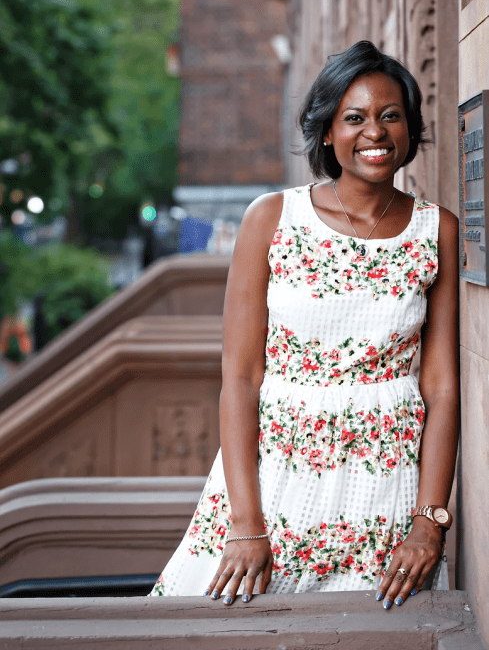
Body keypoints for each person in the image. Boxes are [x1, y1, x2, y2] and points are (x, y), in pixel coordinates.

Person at [149, 40, 459, 610]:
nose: (375, 132)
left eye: (391, 116)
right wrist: (245, 523)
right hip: (274, 479)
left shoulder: (434, 229)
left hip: (384, 484)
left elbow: (441, 388)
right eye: (355, 118)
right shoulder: (272, 217)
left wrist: (429, 522)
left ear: (411, 129)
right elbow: (240, 378)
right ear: (326, 132)